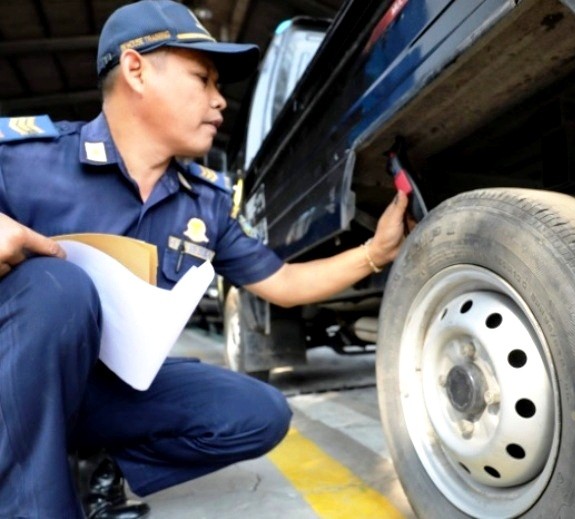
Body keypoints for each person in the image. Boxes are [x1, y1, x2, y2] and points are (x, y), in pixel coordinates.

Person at [0, 1, 411, 517]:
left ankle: (97, 462)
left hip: (104, 390)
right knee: (56, 289)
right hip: (16, 377)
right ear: (136, 70)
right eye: (203, 79)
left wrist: (376, 252)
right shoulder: (24, 161)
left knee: (258, 412)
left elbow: (281, 282)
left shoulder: (205, 203)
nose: (220, 101)